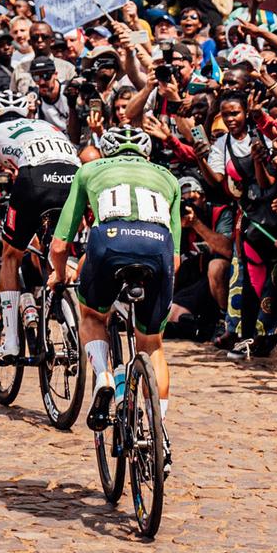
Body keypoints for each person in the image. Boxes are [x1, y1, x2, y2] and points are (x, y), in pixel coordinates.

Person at [54, 124, 182, 432]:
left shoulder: (88, 170)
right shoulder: (169, 178)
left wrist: (59, 277)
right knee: (152, 343)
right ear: (146, 154)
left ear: (106, 151)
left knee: (93, 316)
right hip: (157, 248)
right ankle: (157, 432)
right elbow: (175, 260)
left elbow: (60, 245)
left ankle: (104, 376)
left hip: (109, 242)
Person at [0, 89, 80, 364]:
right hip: (74, 177)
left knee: (10, 254)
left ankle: (10, 341)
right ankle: (69, 319)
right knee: (53, 247)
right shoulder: (48, 125)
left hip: (35, 177)